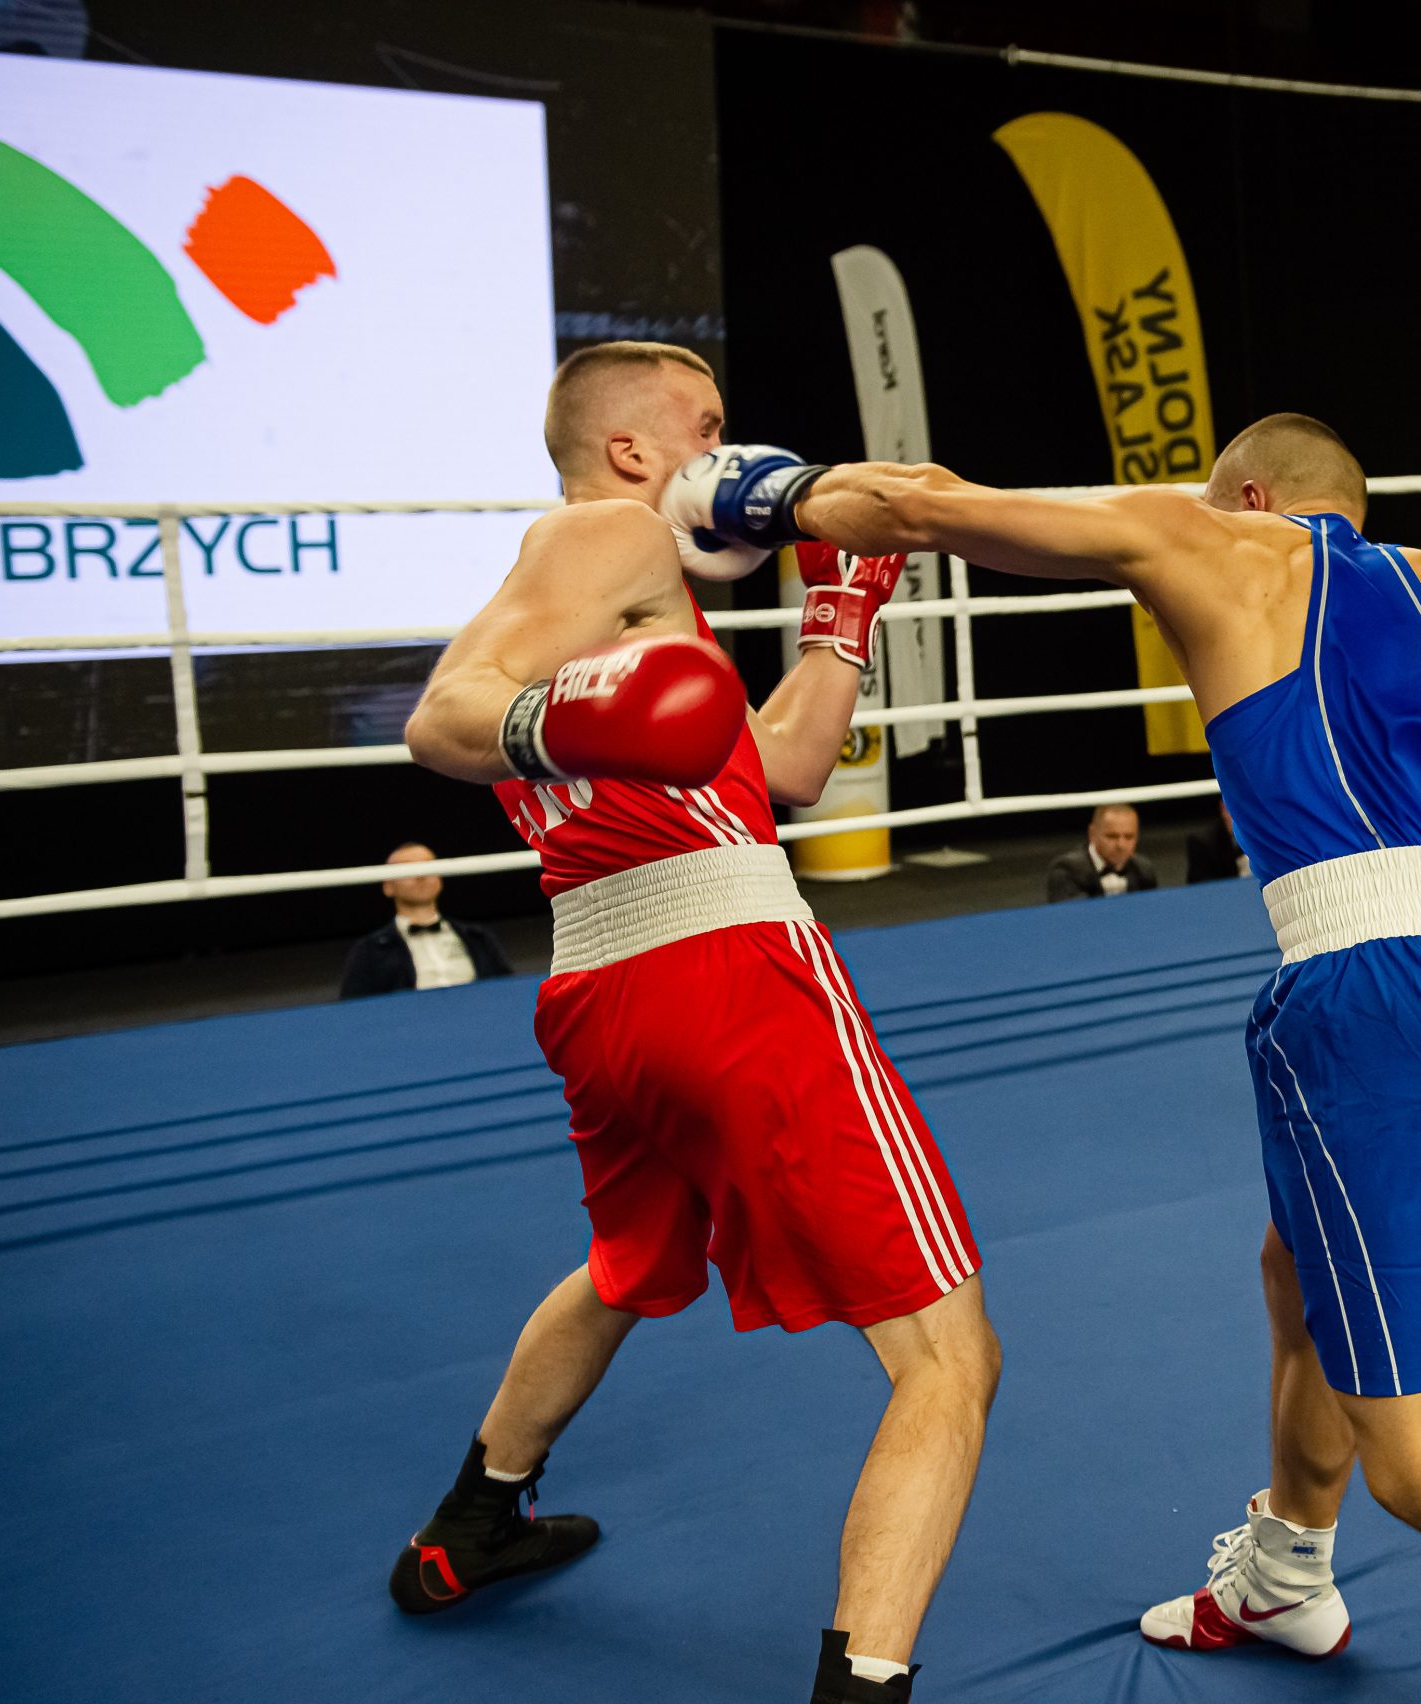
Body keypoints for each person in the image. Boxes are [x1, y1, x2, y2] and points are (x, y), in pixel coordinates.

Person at [667, 412, 1421, 1702]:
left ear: (1243, 497)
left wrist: (752, 493)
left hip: (1378, 1007)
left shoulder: (1213, 542)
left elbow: (923, 504)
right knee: (1302, 1268)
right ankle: (1286, 1577)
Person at [387, 341, 997, 1704]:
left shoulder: (625, 598)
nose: (728, 449)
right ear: (629, 452)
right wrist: (567, 714)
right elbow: (442, 719)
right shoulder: (605, 536)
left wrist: (837, 621)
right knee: (948, 1355)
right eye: (706, 425)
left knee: (627, 1263)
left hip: (606, 999)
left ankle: (469, 1526)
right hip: (728, 976)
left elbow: (783, 770)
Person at [337, 842, 515, 998]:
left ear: (440, 878)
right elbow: (353, 1009)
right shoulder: (369, 950)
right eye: (408, 869)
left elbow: (509, 990)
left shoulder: (478, 937)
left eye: (428, 866)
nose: (421, 875)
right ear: (388, 886)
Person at [1044, 801, 1161, 900]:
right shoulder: (1066, 870)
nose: (1121, 845)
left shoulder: (1143, 869)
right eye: (1112, 836)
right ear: (1092, 833)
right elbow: (1072, 916)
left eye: (1129, 837)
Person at [1186, 798, 1250, 884]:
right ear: (1223, 808)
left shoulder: (1263, 835)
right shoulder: (1203, 843)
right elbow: (1202, 885)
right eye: (1237, 809)